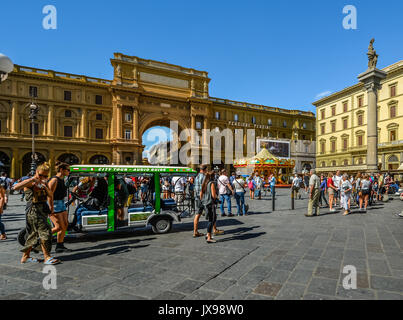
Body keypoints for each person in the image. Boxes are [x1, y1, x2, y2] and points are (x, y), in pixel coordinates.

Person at [13, 163, 60, 265]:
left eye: (46, 176)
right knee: (46, 232)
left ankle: (25, 257)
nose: (43, 177)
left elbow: (50, 194)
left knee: (33, 234)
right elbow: (15, 187)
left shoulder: (44, 182)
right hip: (33, 210)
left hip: (42, 210)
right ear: (36, 172)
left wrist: (45, 186)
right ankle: (47, 257)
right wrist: (32, 180)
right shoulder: (31, 182)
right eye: (41, 175)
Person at [48, 161, 71, 253]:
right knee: (58, 227)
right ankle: (39, 237)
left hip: (61, 203)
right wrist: (51, 208)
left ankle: (60, 245)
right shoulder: (54, 180)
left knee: (65, 225)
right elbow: (49, 195)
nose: (69, 171)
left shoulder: (62, 179)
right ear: (61, 170)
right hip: (55, 204)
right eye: (68, 170)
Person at [200, 171, 218, 243]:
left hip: (206, 203)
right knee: (212, 220)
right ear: (213, 176)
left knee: (211, 219)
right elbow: (213, 195)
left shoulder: (205, 183)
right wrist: (216, 198)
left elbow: (201, 193)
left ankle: (208, 235)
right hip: (211, 203)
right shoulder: (212, 183)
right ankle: (209, 237)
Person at [193, 164, 207, 237]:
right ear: (205, 170)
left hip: (197, 197)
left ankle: (195, 231)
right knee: (211, 214)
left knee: (197, 214)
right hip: (204, 197)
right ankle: (213, 230)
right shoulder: (204, 177)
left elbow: (194, 187)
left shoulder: (197, 177)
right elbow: (204, 188)